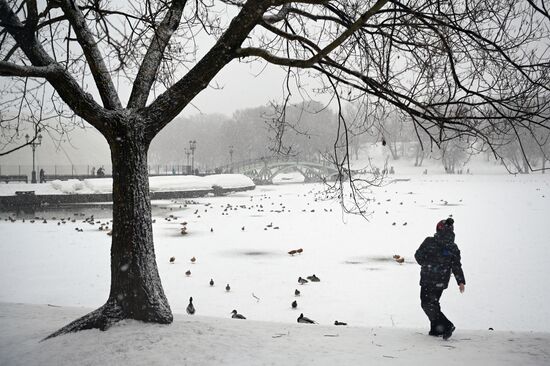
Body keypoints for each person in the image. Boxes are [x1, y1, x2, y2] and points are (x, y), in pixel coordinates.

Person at [415, 217, 465, 340]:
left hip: (428, 278)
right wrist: (461, 281)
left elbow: (418, 256)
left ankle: (447, 325)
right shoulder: (453, 247)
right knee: (433, 304)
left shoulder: (429, 241)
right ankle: (436, 330)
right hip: (441, 281)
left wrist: (426, 264)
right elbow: (456, 265)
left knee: (427, 304)